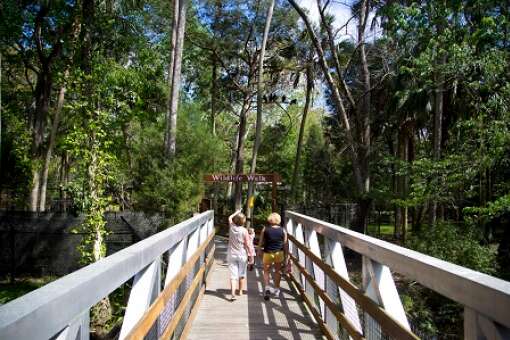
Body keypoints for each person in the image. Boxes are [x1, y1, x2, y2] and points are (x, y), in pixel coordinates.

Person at [258, 212, 288, 300]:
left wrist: (259, 250)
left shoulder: (265, 229)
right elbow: (286, 244)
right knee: (278, 271)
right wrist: (286, 255)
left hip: (267, 253)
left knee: (266, 271)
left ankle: (267, 287)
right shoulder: (283, 230)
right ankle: (277, 289)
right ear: (279, 220)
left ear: (270, 219)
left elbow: (260, 241)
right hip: (279, 254)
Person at [227, 209, 252, 301]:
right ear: (243, 221)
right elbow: (248, 244)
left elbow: (229, 217)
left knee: (233, 275)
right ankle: (240, 291)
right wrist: (251, 256)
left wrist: (236, 212)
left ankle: (233, 293)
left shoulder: (231, 227)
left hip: (232, 254)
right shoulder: (244, 231)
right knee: (242, 274)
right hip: (242, 255)